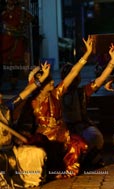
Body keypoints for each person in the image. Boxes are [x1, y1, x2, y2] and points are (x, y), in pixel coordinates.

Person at [27, 35, 94, 179]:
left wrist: (87, 54)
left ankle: (65, 169)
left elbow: (74, 72)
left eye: (50, 78)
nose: (52, 81)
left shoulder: (56, 93)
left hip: (62, 134)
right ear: (39, 85)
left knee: (80, 144)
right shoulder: (31, 102)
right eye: (48, 80)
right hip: (44, 138)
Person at [61, 43, 114, 169]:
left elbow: (101, 79)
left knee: (95, 138)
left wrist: (113, 59)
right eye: (70, 76)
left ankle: (86, 159)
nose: (74, 79)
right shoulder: (56, 93)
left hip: (82, 126)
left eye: (76, 76)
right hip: (62, 131)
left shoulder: (82, 92)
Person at [0, 62, 50, 189]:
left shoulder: (8, 106)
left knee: (38, 153)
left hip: (13, 151)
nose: (0, 96)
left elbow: (26, 91)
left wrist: (43, 78)